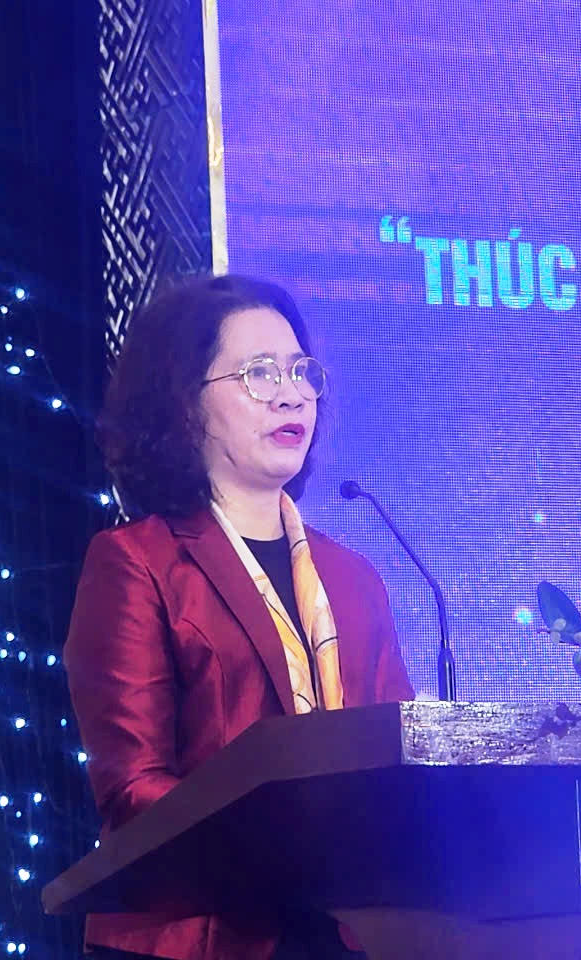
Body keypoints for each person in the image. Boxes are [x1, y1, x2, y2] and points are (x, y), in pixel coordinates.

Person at [65, 274, 414, 960]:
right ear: (184, 404)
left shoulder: (354, 579)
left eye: (301, 371)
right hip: (198, 935)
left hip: (343, 934)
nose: (292, 394)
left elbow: (394, 755)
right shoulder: (137, 562)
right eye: (258, 373)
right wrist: (291, 848)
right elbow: (132, 787)